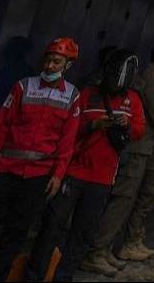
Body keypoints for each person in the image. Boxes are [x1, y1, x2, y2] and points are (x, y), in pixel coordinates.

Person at [0, 38, 83, 281]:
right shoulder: (23, 87)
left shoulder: (72, 97)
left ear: (68, 65)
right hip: (3, 170)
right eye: (48, 60)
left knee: (14, 236)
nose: (50, 65)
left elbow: (67, 142)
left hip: (36, 178)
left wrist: (57, 174)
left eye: (57, 61)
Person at [31, 50, 141, 280]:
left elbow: (140, 129)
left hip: (102, 178)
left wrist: (125, 124)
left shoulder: (133, 100)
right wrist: (94, 125)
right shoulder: (87, 94)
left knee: (82, 233)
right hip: (74, 172)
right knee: (53, 225)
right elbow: (72, 129)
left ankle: (64, 276)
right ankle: (35, 275)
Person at [111, 42, 154, 263]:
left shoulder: (152, 78)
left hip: (144, 147)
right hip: (139, 147)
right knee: (125, 198)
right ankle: (105, 247)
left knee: (134, 198)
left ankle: (120, 243)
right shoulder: (150, 79)